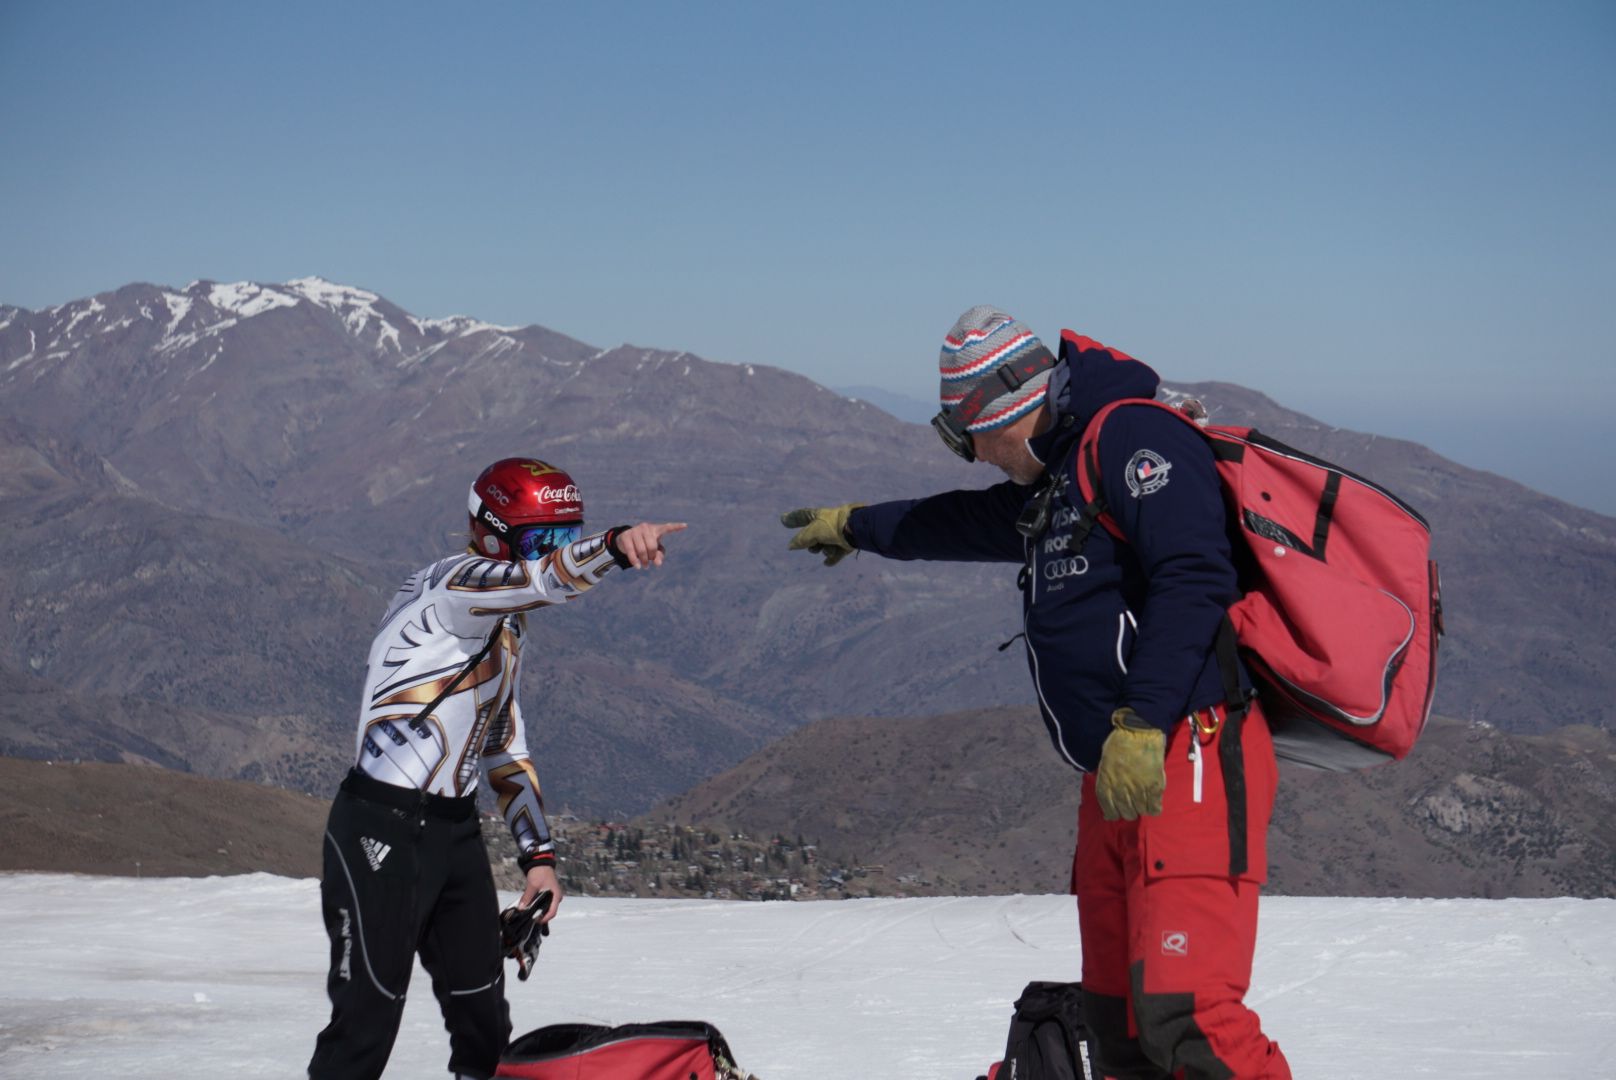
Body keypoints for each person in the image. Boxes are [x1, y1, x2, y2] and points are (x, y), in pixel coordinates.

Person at [782, 307, 1290, 1079]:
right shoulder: (1063, 479)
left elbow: (1196, 576)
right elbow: (954, 524)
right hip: (1118, 771)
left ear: (1006, 410)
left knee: (1189, 1015)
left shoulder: (1134, 441)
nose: (975, 456)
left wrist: (1146, 722)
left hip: (1187, 749)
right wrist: (855, 526)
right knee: (1121, 1026)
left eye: (968, 435)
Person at [308, 457, 685, 1080]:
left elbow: (504, 743)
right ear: (490, 533)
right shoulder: (460, 585)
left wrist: (540, 861)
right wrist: (615, 545)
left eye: (567, 534)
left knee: (484, 1029)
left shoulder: (505, 621)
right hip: (380, 826)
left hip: (453, 834)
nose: (551, 552)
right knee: (364, 1028)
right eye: (541, 539)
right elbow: (548, 580)